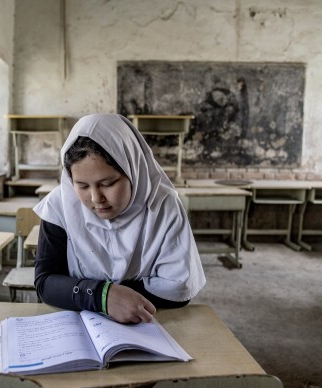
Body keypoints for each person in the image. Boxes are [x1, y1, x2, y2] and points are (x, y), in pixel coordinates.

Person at [33, 113, 205, 324]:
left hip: (152, 322)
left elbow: (179, 288)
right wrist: (103, 296)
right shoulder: (59, 206)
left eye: (108, 183)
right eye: (83, 186)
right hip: (78, 324)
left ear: (133, 169)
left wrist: (101, 294)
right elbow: (45, 283)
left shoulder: (164, 205)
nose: (97, 199)